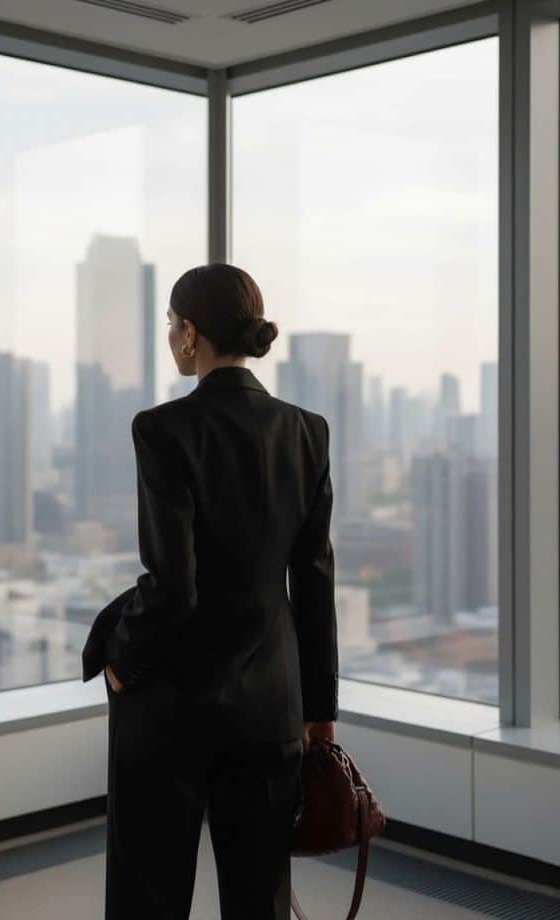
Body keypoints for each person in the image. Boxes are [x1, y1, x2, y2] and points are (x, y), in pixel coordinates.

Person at [101, 263, 338, 919]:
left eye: (173, 326)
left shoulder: (163, 428)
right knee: (260, 898)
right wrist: (320, 707)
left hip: (174, 707)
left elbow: (174, 587)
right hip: (273, 704)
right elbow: (314, 579)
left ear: (190, 334)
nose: (172, 338)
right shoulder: (307, 431)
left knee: (149, 894)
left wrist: (121, 662)